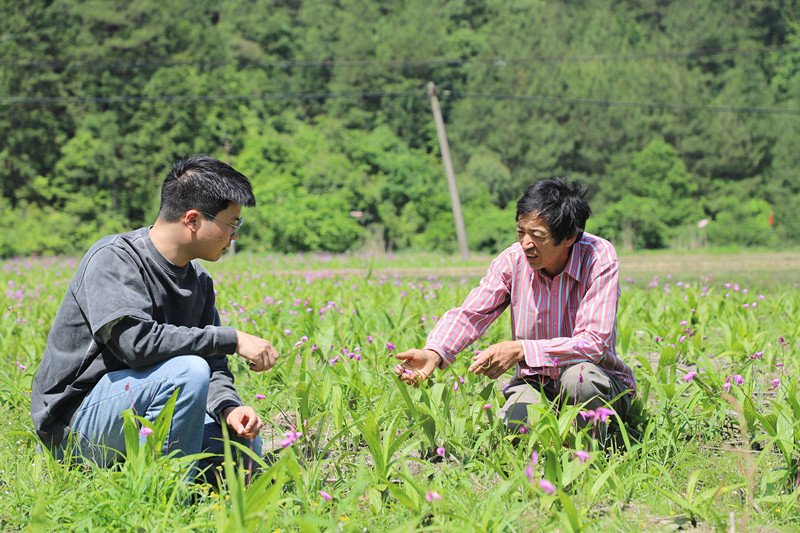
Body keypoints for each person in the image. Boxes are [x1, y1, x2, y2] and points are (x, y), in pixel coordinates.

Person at [31, 154, 279, 479]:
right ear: (192, 220)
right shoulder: (115, 259)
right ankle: (167, 498)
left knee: (243, 449)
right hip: (74, 423)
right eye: (232, 224)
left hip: (141, 407)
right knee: (188, 370)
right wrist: (231, 339)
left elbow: (215, 365)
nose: (235, 236)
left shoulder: (199, 281)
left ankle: (146, 471)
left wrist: (229, 408)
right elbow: (137, 344)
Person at [394, 178, 635, 440]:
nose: (525, 244)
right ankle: (553, 431)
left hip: (594, 379)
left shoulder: (598, 257)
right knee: (516, 429)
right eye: (521, 232)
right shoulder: (513, 260)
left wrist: (523, 350)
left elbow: (593, 342)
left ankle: (589, 457)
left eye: (537, 236)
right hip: (537, 380)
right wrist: (435, 352)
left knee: (580, 381)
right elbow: (473, 313)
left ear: (569, 237)